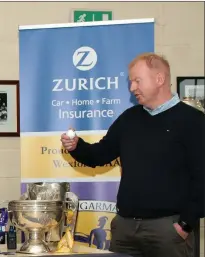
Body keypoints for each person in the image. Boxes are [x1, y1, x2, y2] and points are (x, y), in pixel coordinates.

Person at [60, 53, 204, 257]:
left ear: (159, 79)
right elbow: (99, 155)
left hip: (169, 231)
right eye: (131, 82)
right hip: (125, 230)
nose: (132, 88)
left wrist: (185, 224)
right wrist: (76, 146)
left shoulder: (193, 121)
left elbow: (202, 177)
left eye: (137, 81)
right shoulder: (129, 119)